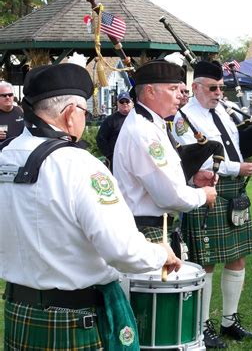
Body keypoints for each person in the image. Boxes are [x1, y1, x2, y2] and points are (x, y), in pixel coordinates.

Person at [0, 63, 181, 350]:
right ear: (71, 113)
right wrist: (160, 253)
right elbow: (122, 251)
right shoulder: (81, 166)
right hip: (75, 319)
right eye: (84, 112)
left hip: (18, 313)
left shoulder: (4, 157)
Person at [173, 60, 252, 349]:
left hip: (234, 191)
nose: (218, 93)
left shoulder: (224, 114)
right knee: (206, 261)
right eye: (212, 88)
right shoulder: (184, 118)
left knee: (237, 256)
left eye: (221, 88)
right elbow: (196, 158)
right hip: (208, 188)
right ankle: (202, 326)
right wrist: (236, 168)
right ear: (195, 88)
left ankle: (230, 320)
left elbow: (235, 145)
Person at [113, 60, 217, 244]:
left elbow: (160, 176)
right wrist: (203, 195)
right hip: (146, 232)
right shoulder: (144, 132)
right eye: (173, 89)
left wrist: (193, 178)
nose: (180, 96)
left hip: (153, 227)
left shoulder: (151, 124)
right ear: (150, 91)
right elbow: (170, 196)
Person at [96, 91, 134, 172]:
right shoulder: (110, 120)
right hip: (117, 160)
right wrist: (110, 155)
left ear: (132, 103)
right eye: (122, 102)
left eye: (127, 101)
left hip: (134, 158)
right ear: (118, 103)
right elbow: (100, 138)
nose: (125, 104)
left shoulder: (137, 118)